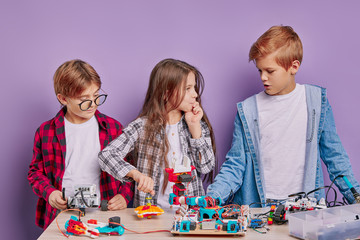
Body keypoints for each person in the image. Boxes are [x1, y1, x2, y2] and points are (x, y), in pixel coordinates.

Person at [207, 26, 360, 207]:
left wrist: (356, 197)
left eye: (270, 71)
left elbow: (336, 159)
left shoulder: (317, 103)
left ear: (293, 66)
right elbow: (235, 165)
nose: (263, 77)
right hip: (260, 209)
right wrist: (213, 196)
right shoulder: (247, 110)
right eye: (260, 71)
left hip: (306, 210)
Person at [28, 59, 133, 229]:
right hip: (62, 216)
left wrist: (124, 195)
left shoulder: (113, 128)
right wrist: (50, 193)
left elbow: (129, 169)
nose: (93, 103)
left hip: (104, 214)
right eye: (84, 99)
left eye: (96, 95)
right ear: (63, 99)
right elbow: (35, 173)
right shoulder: (46, 131)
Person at [99, 58, 216, 209]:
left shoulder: (196, 124)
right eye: (187, 88)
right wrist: (135, 174)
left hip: (189, 215)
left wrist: (195, 128)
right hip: (151, 216)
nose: (195, 94)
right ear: (166, 93)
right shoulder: (142, 126)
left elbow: (206, 167)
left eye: (194, 87)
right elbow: (106, 155)